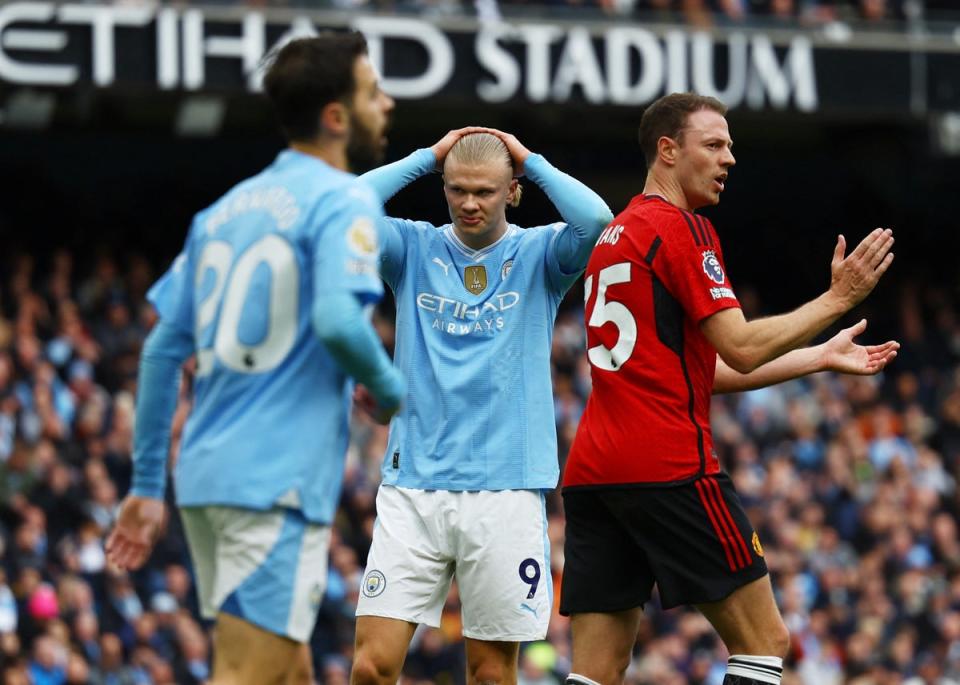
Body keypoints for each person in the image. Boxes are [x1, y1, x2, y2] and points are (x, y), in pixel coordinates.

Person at [559, 92, 897, 685]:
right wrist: (837, 300)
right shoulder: (681, 229)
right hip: (669, 464)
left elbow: (696, 370)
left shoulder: (616, 235)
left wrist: (817, 357)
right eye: (714, 145)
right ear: (668, 151)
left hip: (595, 473)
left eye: (731, 147)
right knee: (765, 643)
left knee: (595, 672)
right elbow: (738, 345)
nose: (730, 159)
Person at [104, 33, 404, 685]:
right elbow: (336, 320)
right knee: (245, 674)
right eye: (372, 91)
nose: (388, 102)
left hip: (210, 479)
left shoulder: (221, 211)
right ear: (335, 116)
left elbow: (160, 350)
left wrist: (148, 484)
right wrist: (389, 387)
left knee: (288, 670)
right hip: (274, 485)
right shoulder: (343, 197)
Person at [349, 129, 614, 685]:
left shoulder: (540, 254)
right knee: (371, 666)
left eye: (486, 192)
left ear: (512, 192)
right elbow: (347, 205)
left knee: (492, 673)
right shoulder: (412, 248)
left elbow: (596, 219)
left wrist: (530, 160)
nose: (470, 203)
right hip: (413, 486)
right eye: (458, 190)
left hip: (508, 490)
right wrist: (427, 158)